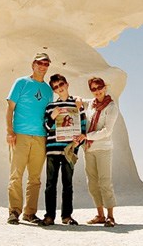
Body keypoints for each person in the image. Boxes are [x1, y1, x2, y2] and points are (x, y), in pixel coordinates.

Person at [6, 52, 53, 225]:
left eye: (46, 64)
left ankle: (29, 213)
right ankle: (14, 211)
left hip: (40, 137)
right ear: (33, 64)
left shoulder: (48, 90)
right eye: (40, 63)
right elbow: (10, 108)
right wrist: (9, 131)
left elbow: (49, 115)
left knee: (35, 178)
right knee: (16, 174)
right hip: (20, 134)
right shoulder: (21, 82)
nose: (43, 66)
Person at [40, 74, 87, 226]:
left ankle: (66, 216)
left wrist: (78, 142)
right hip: (53, 150)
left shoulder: (77, 104)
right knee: (50, 185)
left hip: (69, 150)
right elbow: (46, 127)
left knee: (68, 184)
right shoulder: (50, 107)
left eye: (61, 84)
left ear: (67, 84)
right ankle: (49, 216)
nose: (59, 88)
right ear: (54, 90)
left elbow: (83, 126)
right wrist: (52, 117)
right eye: (56, 87)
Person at [75, 77, 119, 227]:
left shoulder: (111, 107)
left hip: (103, 148)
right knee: (92, 183)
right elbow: (78, 100)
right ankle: (100, 214)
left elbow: (107, 131)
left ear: (105, 87)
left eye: (99, 87)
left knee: (105, 182)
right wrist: (78, 99)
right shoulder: (91, 104)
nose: (97, 91)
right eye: (93, 89)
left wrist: (86, 136)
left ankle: (110, 216)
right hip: (89, 149)